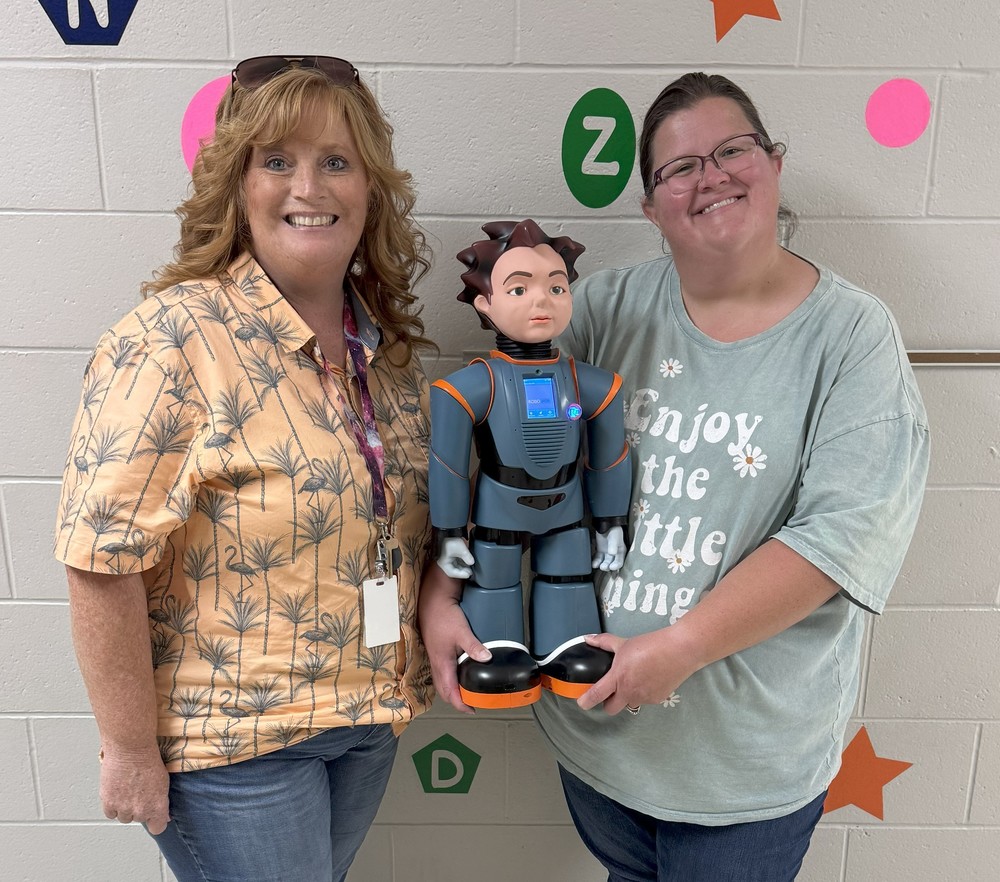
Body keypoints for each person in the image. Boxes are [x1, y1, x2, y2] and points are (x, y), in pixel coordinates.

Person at [420, 73, 930, 881]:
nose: (713, 175)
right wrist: (440, 595)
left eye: (734, 150)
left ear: (775, 164)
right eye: (679, 168)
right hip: (598, 740)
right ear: (651, 209)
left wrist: (682, 647)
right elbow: (488, 440)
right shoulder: (605, 309)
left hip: (743, 770)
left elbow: (842, 539)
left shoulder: (852, 338)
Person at [55, 55, 436, 882]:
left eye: (337, 161)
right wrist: (126, 747)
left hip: (367, 722)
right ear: (236, 184)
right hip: (236, 747)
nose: (311, 186)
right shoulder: (171, 339)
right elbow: (100, 558)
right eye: (277, 161)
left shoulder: (390, 356)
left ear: (370, 189)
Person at [429, 220, 630, 708]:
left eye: (556, 286)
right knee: (492, 581)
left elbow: (610, 459)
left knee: (568, 578)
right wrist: (450, 533)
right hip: (498, 510)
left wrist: (610, 522)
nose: (541, 301)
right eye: (519, 288)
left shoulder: (594, 386)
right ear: (485, 303)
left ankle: (567, 642)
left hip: (568, 512)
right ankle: (496, 648)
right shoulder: (468, 388)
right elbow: (448, 465)